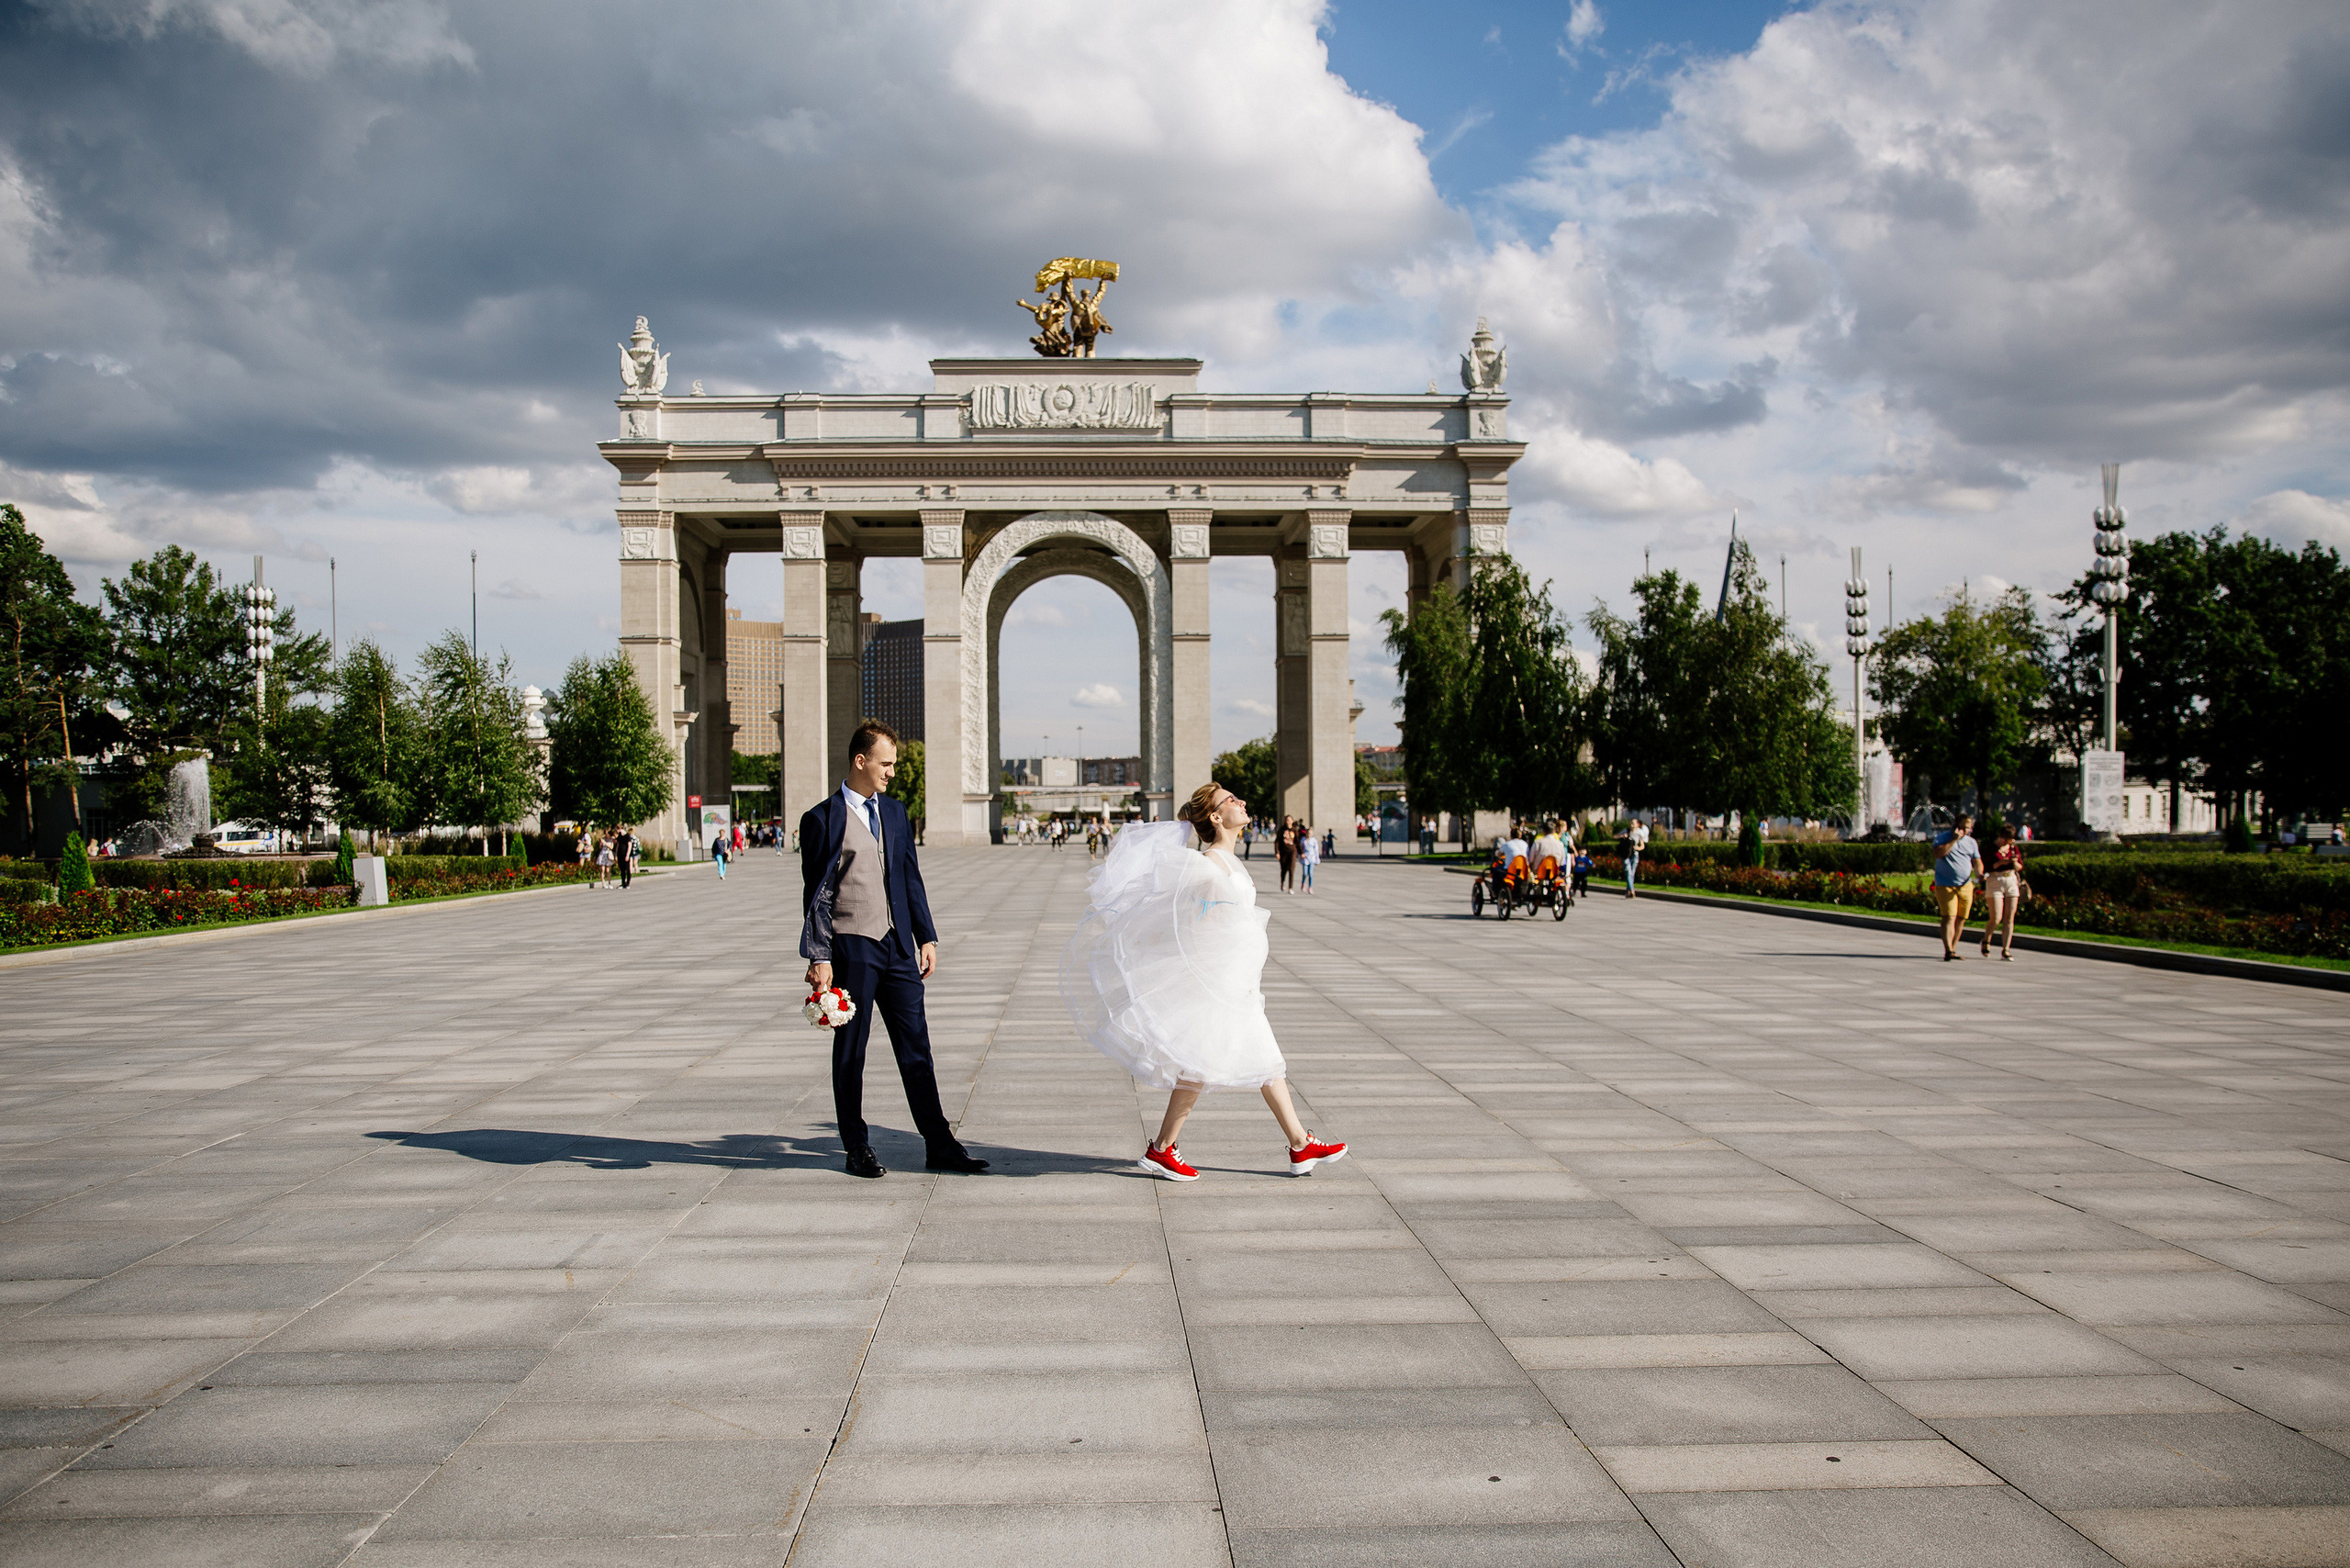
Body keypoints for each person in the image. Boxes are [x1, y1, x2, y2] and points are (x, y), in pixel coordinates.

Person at [1064, 781, 1348, 1182]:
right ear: (1215, 817)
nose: (1242, 801)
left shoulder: (1229, 861)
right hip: (1219, 983)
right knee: (1209, 1064)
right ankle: (1167, 1149)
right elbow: (1183, 918)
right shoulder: (1207, 864)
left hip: (1238, 980)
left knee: (1252, 1063)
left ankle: (1297, 1146)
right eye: (1232, 800)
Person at [800, 720, 988, 1180]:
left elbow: (909, 877)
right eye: (886, 764)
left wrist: (926, 935)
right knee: (852, 1051)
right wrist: (820, 957)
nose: (892, 773)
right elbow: (817, 894)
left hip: (899, 947)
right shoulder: (821, 820)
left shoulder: (897, 813)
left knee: (916, 1048)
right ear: (860, 761)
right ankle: (856, 1147)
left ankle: (939, 1143)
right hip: (852, 947)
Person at [1931, 812, 1982, 961]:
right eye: (1964, 828)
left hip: (1965, 885)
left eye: (1969, 828)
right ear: (1956, 826)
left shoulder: (1971, 842)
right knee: (1949, 917)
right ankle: (1948, 950)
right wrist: (1953, 840)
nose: (1967, 831)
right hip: (1945, 885)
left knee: (1961, 918)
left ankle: (1953, 948)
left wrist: (1979, 873)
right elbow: (1937, 854)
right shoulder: (1942, 838)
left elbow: (1977, 860)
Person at [1979, 823, 2026, 960]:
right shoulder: (1991, 848)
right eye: (2004, 839)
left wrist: (2013, 862)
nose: (2005, 842)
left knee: (2009, 917)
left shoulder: (2013, 849)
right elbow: (1986, 867)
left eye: (2009, 840)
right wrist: (2001, 863)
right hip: (1995, 880)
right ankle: (1986, 939)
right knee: (1996, 917)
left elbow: (2019, 867)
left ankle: (2006, 949)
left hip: (2011, 880)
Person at [1297, 822, 1320, 893]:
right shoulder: (1303, 840)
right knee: (1305, 873)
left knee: (1310, 874)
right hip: (1305, 859)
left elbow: (1316, 851)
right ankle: (1303, 884)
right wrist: (1300, 855)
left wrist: (1317, 860)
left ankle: (1310, 887)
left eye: (1310, 833)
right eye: (1307, 833)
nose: (1308, 835)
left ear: (1312, 834)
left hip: (1312, 859)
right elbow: (1300, 849)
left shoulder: (1314, 841)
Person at [1277, 818, 1298, 893]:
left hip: (1292, 851)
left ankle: (1290, 887)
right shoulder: (1282, 830)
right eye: (1286, 820)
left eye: (1289, 820)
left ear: (1292, 821)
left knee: (1292, 869)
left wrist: (1301, 852)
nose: (1287, 821)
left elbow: (1297, 842)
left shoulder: (1294, 830)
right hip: (1283, 852)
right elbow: (1277, 841)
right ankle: (1282, 883)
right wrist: (1277, 852)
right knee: (1284, 869)